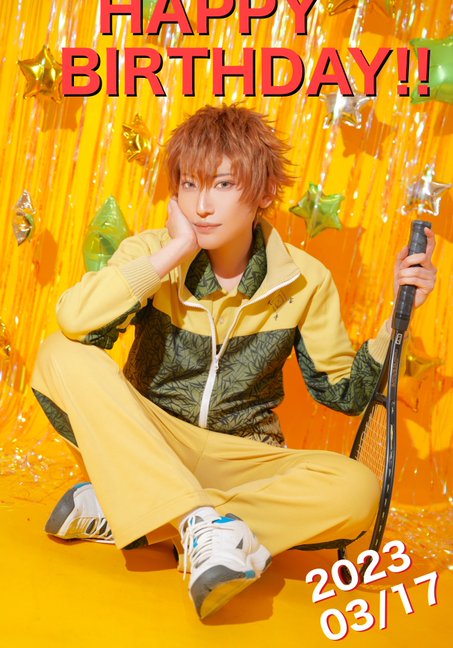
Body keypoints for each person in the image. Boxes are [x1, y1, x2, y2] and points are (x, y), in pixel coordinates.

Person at [32, 104, 437, 620]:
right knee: (59, 351)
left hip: (243, 459)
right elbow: (77, 322)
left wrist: (397, 320)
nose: (202, 206)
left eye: (223, 185)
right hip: (152, 441)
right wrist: (174, 252)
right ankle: (197, 523)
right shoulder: (153, 253)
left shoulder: (306, 280)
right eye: (189, 184)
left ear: (263, 194)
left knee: (359, 488)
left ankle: (141, 515)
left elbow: (344, 394)